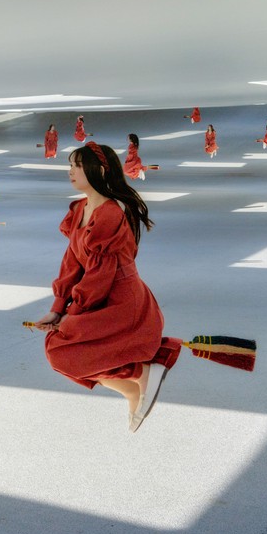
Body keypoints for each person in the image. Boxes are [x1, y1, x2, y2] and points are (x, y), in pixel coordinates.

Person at [31, 143, 182, 433]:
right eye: (70, 165)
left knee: (64, 351)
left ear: (99, 171)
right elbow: (72, 263)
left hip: (121, 300)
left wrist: (74, 312)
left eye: (77, 166)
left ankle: (142, 374)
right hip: (97, 294)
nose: (71, 171)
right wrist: (58, 308)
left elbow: (101, 273)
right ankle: (133, 387)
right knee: (58, 350)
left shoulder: (110, 214)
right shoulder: (80, 209)